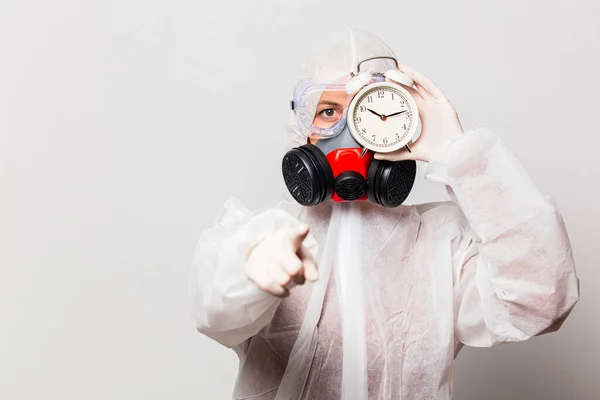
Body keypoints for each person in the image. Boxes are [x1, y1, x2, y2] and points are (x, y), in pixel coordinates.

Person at [190, 26, 580, 400]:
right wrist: (248, 272)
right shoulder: (262, 237)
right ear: (301, 127)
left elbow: (542, 300)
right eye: (327, 111)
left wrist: (463, 157)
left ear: (400, 123)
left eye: (371, 110)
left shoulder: (442, 245)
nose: (349, 132)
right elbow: (214, 313)